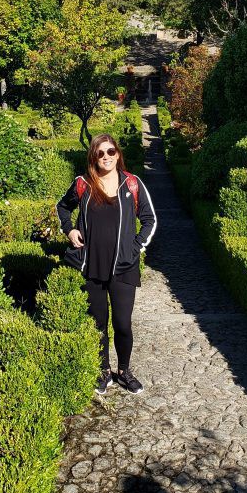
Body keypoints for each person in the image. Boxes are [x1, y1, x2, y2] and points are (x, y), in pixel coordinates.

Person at [56, 133, 157, 396]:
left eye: (110, 152)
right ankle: (103, 370)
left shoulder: (132, 184)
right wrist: (69, 230)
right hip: (92, 267)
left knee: (122, 323)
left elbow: (149, 219)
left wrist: (135, 248)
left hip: (124, 267)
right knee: (98, 322)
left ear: (118, 154)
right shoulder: (83, 185)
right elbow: (62, 207)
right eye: (100, 153)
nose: (106, 157)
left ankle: (124, 370)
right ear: (93, 157)